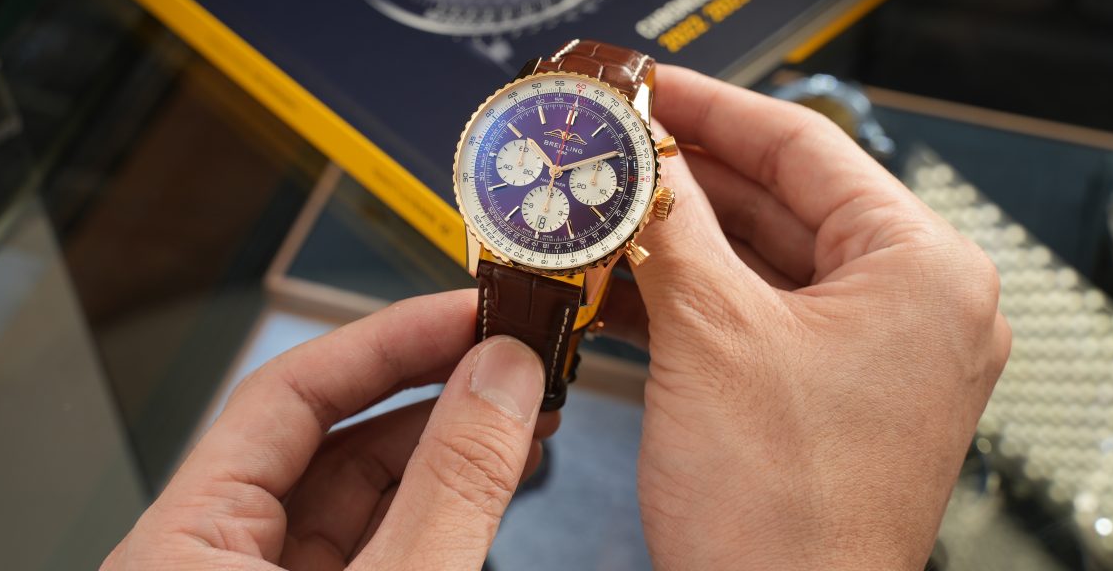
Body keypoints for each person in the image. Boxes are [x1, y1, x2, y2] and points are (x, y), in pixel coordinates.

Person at [102, 67, 1010, 570]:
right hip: (520, 245)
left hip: (557, 249)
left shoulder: (623, 212)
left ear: (651, 199)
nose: (557, 163)